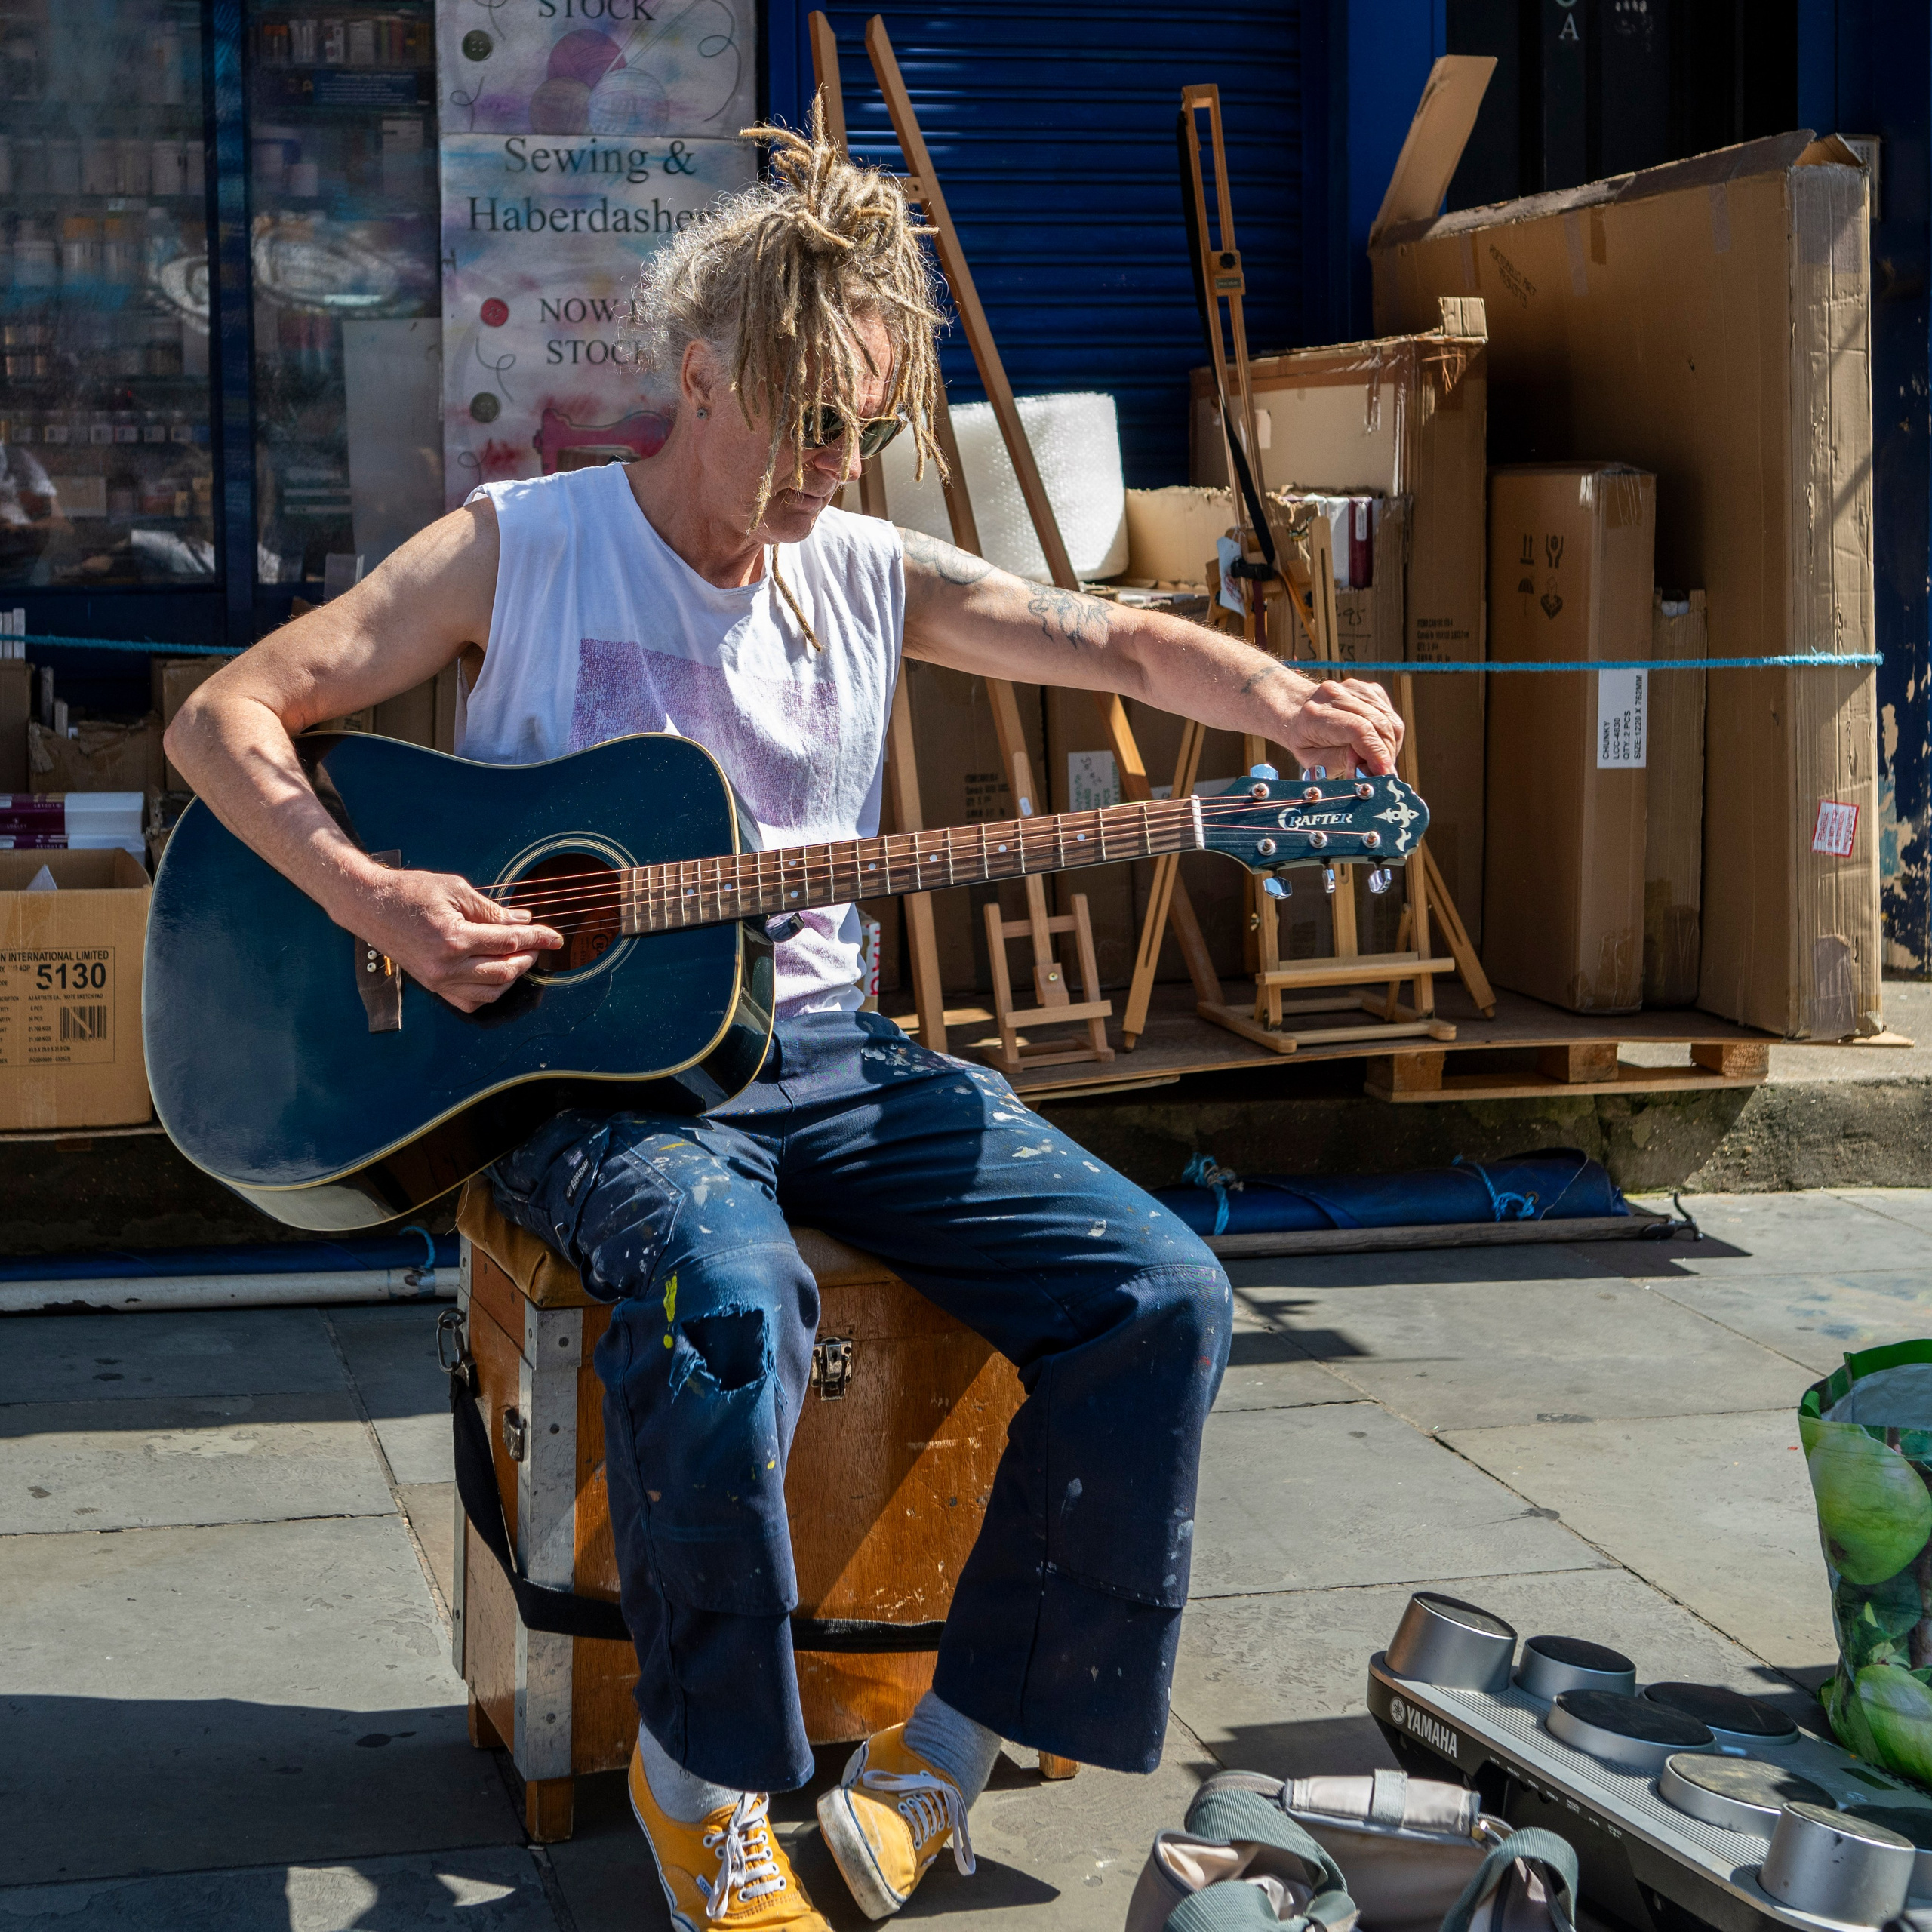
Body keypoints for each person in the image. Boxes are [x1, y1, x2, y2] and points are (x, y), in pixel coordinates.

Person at [168, 114, 1403, 1932]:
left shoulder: (862, 571)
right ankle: (707, 1783)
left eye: (867, 426)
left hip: (825, 1058)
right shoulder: (526, 548)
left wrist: (1280, 699)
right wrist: (381, 896)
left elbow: (1119, 641)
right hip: (598, 1085)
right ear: (696, 373)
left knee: (1164, 1293)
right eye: (805, 419)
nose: (833, 469)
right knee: (720, 1298)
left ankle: (942, 1755)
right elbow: (230, 715)